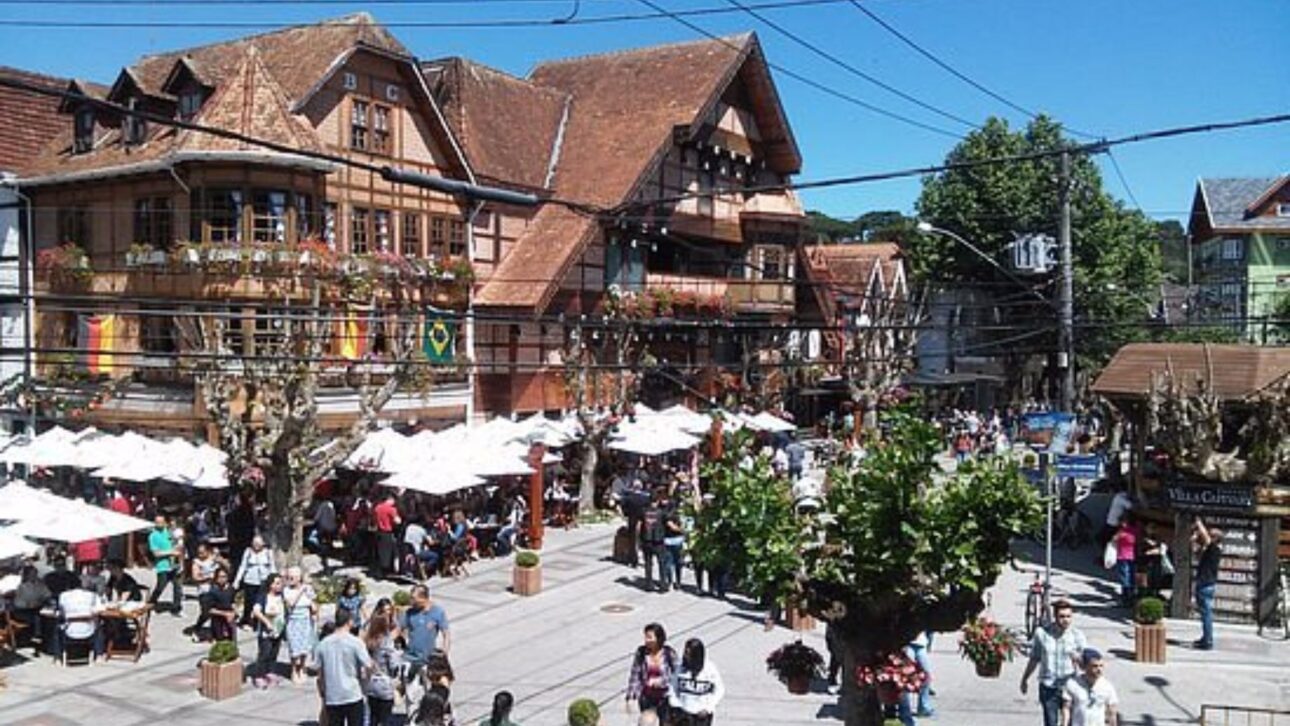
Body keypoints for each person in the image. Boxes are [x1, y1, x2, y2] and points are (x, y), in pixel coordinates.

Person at [1020, 600, 1088, 726]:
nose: (1066, 620)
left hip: (1070, 686)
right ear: (1055, 616)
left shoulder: (1077, 636)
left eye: (1068, 616)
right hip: (1048, 686)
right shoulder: (1042, 634)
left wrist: (1079, 660)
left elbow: (1086, 665)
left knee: (1071, 722)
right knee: (1050, 722)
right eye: (1062, 616)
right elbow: (1034, 658)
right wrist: (1025, 678)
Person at [312, 608, 372, 726]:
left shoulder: (323, 644)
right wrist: (365, 684)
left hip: (333, 695)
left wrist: (323, 691)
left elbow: (319, 671)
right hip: (353, 694)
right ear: (350, 621)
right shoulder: (356, 642)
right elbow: (368, 665)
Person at [626, 622, 677, 723]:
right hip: (646, 698)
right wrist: (631, 696)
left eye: (649, 637)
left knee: (665, 722)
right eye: (645, 637)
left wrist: (661, 682)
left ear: (658, 638)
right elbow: (635, 675)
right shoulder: (641, 652)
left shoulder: (669, 653)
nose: (646, 640)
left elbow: (677, 675)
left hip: (665, 698)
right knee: (647, 722)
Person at [669, 637, 724, 726]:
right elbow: (672, 687)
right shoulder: (680, 668)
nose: (686, 655)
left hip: (702, 715)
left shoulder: (710, 668)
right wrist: (676, 704)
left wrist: (708, 708)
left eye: (689, 653)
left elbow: (719, 690)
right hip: (683, 713)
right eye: (685, 652)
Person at [1061, 648, 1119, 726]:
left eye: (1101, 666)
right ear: (1085, 667)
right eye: (1095, 666)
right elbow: (1066, 708)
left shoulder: (1107, 687)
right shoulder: (1072, 684)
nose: (1099, 669)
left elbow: (1112, 712)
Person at [401, 584, 451, 673]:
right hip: (410, 657)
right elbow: (400, 629)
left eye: (413, 598)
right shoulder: (410, 612)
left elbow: (446, 634)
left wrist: (445, 652)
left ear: (423, 598)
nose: (411, 601)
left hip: (427, 658)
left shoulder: (437, 612)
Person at [363, 612, 401, 726]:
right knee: (384, 719)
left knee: (373, 716)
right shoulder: (386, 641)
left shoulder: (368, 640)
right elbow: (394, 665)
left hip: (370, 683)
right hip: (384, 683)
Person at [283, 565, 319, 683]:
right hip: (293, 621)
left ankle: (302, 667)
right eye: (289, 576)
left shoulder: (307, 589)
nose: (290, 578)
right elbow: (291, 604)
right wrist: (301, 591)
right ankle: (294, 669)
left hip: (306, 621)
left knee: (305, 646)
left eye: (293, 576)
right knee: (294, 647)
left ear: (299, 577)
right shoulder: (287, 590)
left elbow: (314, 604)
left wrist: (314, 609)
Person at [1192, 517, 1223, 651]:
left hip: (1206, 584)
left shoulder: (1215, 548)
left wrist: (1199, 523)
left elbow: (1205, 536)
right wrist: (1194, 539)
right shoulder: (1209, 550)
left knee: (1206, 614)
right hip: (1204, 583)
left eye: (1211, 535)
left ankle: (1208, 641)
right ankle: (1205, 638)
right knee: (1204, 613)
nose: (1208, 536)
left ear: (1215, 538)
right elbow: (1196, 553)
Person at [251, 573, 286, 688]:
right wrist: (266, 622)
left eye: (280, 583)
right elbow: (256, 611)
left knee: (274, 652)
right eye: (277, 583)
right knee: (264, 653)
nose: (280, 585)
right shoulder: (263, 596)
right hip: (266, 631)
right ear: (270, 585)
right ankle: (259, 675)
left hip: (278, 629)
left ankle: (270, 672)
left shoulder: (282, 596)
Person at [233, 535, 276, 627]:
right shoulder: (248, 552)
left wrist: (274, 579)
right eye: (254, 543)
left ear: (263, 544)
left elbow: (272, 567)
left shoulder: (268, 552)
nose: (256, 546)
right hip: (250, 581)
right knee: (249, 602)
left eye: (258, 544)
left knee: (261, 601)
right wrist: (237, 580)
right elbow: (242, 566)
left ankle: (259, 622)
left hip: (263, 581)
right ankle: (247, 621)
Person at [54, 582, 102, 661]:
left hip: (69, 633)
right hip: (88, 633)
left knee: (57, 629)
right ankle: (99, 654)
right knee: (99, 628)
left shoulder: (63, 596)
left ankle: (58, 657)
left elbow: (61, 612)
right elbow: (100, 609)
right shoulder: (92, 595)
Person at [147, 515, 182, 615]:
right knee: (160, 586)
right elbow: (156, 553)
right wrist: (170, 552)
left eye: (161, 522)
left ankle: (176, 609)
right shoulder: (153, 536)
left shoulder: (169, 532)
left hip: (174, 564)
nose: (159, 524)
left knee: (177, 587)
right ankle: (151, 604)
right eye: (157, 522)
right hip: (162, 565)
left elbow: (177, 544)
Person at [188, 542, 222, 640]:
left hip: (216, 589)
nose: (200, 555)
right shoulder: (197, 562)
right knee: (206, 612)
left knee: (217, 611)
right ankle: (197, 628)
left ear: (208, 551)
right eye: (199, 553)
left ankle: (215, 633)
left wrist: (220, 560)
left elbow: (225, 568)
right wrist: (207, 578)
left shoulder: (214, 558)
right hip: (204, 590)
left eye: (202, 553)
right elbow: (195, 577)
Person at [639, 492, 670, 593]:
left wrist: (638, 540)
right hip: (658, 541)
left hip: (646, 540)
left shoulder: (643, 511)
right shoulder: (661, 512)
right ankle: (662, 585)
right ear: (657, 501)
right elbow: (669, 523)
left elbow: (639, 526)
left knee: (648, 563)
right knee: (662, 563)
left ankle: (649, 584)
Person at [1112, 515, 1140, 607]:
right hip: (1132, 556)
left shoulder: (1122, 532)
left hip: (1122, 556)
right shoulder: (1135, 530)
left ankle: (1125, 596)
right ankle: (1131, 594)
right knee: (1131, 576)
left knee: (1124, 576)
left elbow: (1114, 539)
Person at [373, 493, 402, 578]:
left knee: (380, 552)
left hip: (379, 531)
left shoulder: (377, 507)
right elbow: (398, 521)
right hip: (388, 532)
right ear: (391, 499)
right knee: (389, 552)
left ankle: (379, 570)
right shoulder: (391, 509)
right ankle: (387, 571)